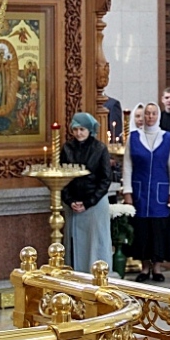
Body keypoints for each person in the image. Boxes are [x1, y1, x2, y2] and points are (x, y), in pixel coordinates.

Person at [122, 102, 170, 283]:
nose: (150, 117)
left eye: (154, 113)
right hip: (140, 190)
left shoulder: (167, 138)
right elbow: (127, 167)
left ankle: (157, 267)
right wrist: (127, 192)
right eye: (147, 113)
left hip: (160, 191)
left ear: (158, 116)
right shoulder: (133, 137)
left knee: (159, 229)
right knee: (142, 230)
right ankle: (145, 267)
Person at [60, 112, 112, 272]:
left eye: (82, 129)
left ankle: (97, 275)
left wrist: (88, 202)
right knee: (75, 243)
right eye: (75, 129)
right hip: (74, 204)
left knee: (95, 243)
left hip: (95, 204)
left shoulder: (100, 148)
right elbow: (62, 177)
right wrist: (70, 200)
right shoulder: (67, 148)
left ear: (90, 130)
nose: (79, 133)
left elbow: (105, 179)